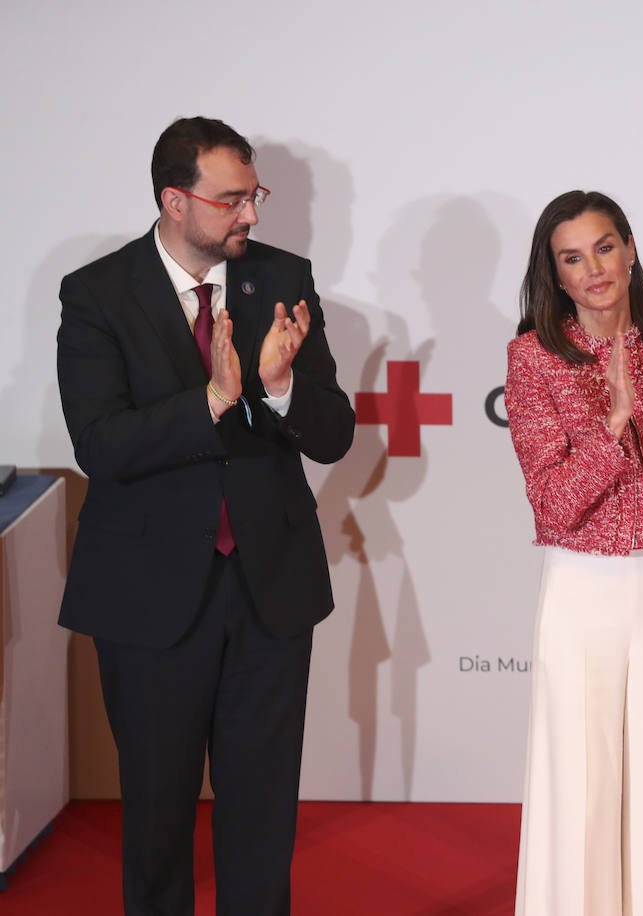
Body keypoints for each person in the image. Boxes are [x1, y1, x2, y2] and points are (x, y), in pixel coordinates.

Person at [56, 116, 355, 915]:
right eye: (231, 200)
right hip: (148, 595)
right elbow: (102, 446)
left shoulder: (283, 277)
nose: (251, 216)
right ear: (174, 202)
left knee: (262, 820)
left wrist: (283, 388)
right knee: (156, 818)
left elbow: (332, 434)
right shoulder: (96, 295)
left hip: (270, 591)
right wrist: (217, 399)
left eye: (254, 195)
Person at [505, 190, 643, 915]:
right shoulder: (535, 358)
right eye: (573, 258)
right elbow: (553, 503)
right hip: (581, 588)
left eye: (604, 247)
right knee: (584, 779)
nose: (594, 268)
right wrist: (611, 427)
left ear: (630, 249)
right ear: (557, 275)